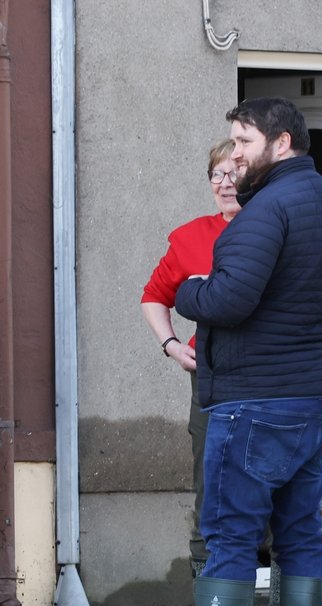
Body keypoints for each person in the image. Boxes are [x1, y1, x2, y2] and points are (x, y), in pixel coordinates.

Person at [144, 98, 322, 606]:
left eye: (243, 141)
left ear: (283, 142)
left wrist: (189, 290)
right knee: (300, 539)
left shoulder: (264, 211)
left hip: (253, 405)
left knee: (230, 536)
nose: (234, 154)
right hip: (317, 401)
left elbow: (226, 301)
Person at [140, 138, 240, 580]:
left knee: (275, 492)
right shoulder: (190, 238)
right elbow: (152, 297)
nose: (226, 182)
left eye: (235, 173)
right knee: (209, 480)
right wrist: (171, 345)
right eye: (217, 174)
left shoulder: (275, 228)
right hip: (209, 378)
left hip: (269, 378)